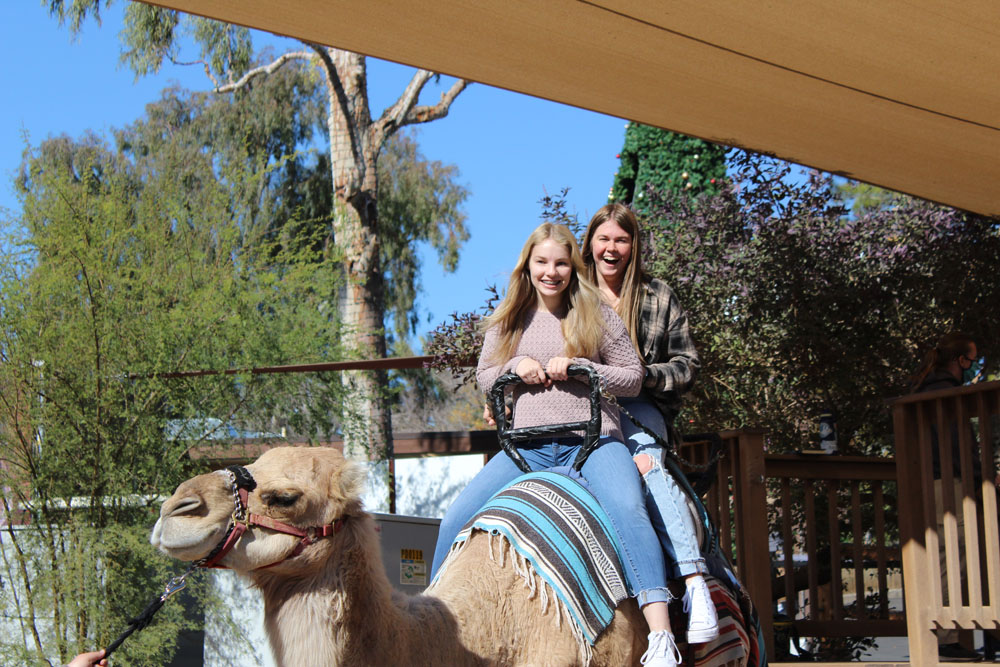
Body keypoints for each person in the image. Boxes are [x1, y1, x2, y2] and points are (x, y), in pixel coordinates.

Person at [432, 222, 682, 666]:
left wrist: (587, 368)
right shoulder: (508, 319)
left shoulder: (595, 314)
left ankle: (661, 637)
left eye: (561, 263)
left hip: (591, 443)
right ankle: (432, 628)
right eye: (542, 262)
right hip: (524, 450)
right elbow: (485, 376)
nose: (552, 272)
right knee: (455, 517)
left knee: (629, 509)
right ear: (527, 266)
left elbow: (633, 376)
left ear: (573, 267)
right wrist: (516, 366)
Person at [580, 203, 718, 644]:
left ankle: (696, 585)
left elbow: (688, 366)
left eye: (621, 239)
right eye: (604, 239)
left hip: (639, 407)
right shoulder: (573, 294)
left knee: (649, 470)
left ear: (633, 245)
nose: (611, 248)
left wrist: (644, 376)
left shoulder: (658, 296)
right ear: (590, 244)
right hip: (577, 410)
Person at [910, 332, 984, 662]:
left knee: (949, 554)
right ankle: (945, 636)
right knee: (954, 556)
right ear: (959, 361)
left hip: (933, 483)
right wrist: (981, 477)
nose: (975, 367)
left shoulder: (926, 391)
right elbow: (958, 448)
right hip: (949, 484)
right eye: (973, 360)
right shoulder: (945, 396)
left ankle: (949, 634)